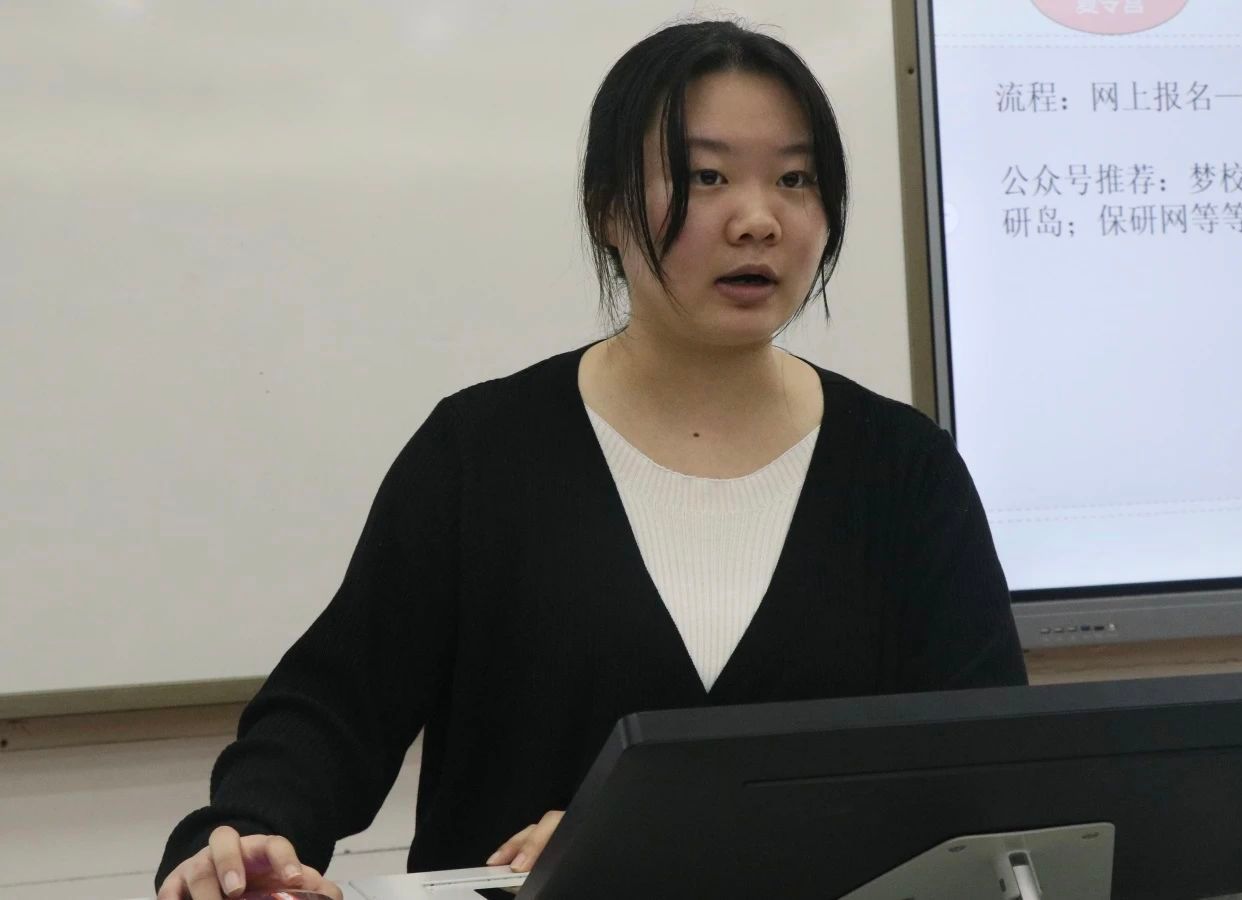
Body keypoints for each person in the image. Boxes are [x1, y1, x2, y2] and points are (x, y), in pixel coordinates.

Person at [155, 17, 1027, 900]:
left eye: (795, 179)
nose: (758, 220)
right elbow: (331, 714)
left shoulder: (904, 471)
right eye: (706, 177)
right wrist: (248, 837)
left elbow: (991, 772)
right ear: (608, 208)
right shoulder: (481, 453)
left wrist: (660, 837)